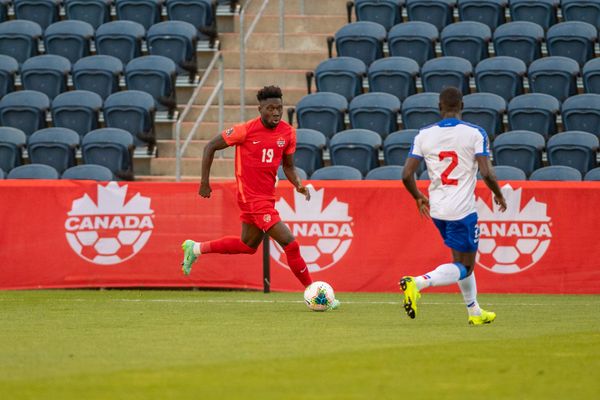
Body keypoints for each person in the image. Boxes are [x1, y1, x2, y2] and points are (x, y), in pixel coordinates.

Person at [180, 85, 339, 309]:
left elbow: (289, 166)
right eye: (270, 108)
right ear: (260, 109)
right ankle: (315, 293)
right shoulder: (244, 131)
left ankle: (195, 248)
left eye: (279, 108)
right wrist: (204, 182)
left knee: (247, 245)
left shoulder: (287, 132)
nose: (275, 112)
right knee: (290, 244)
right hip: (252, 199)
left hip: (266, 197)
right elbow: (210, 147)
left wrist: (299, 185)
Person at [400, 86, 507, 325]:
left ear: (439, 107)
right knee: (465, 267)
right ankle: (417, 283)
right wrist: (498, 194)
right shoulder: (475, 133)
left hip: (437, 209)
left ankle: (475, 312)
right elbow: (486, 172)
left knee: (460, 261)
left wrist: (418, 196)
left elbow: (406, 175)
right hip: (462, 211)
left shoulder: (423, 135)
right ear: (462, 106)